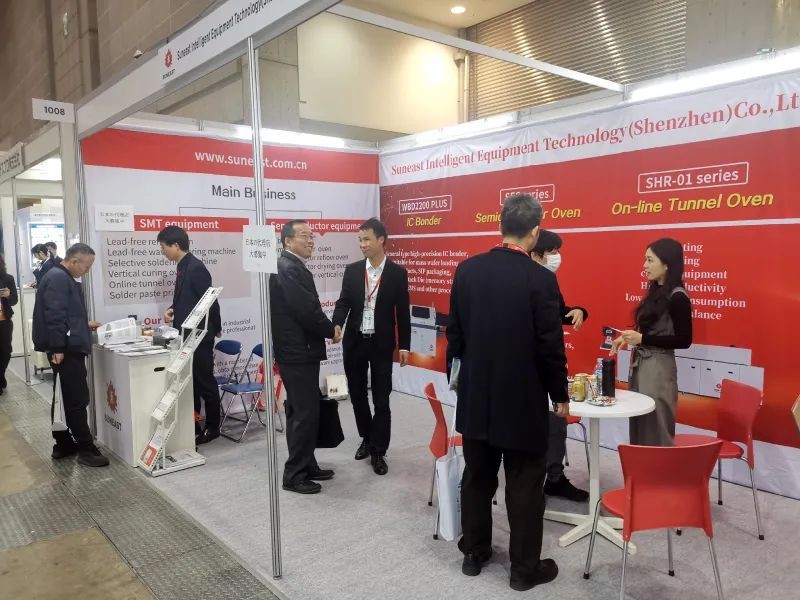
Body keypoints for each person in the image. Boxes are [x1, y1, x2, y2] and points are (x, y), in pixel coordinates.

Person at [447, 193, 569, 591]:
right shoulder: (541, 280)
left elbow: (455, 335)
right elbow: (550, 347)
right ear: (534, 232)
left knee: (477, 478)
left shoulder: (467, 270)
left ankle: (473, 552)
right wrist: (560, 394)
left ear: (501, 226)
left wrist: (462, 379)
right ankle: (523, 570)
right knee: (525, 486)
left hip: (476, 397)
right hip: (522, 401)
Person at [333, 218, 411, 476]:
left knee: (381, 399)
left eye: (366, 239)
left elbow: (403, 313)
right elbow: (343, 302)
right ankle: (367, 439)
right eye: (360, 240)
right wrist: (336, 324)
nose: (362, 244)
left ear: (381, 240)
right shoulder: (352, 270)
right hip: (354, 342)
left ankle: (379, 450)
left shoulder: (398, 274)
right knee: (357, 397)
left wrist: (405, 346)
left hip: (381, 344)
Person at [270, 220, 339, 494]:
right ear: (288, 241)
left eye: (312, 236)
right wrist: (330, 329)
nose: (311, 240)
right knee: (303, 412)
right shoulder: (287, 267)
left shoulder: (292, 265)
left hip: (300, 350)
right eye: (304, 236)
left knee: (305, 410)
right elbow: (306, 310)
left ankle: (307, 463)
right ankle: (294, 475)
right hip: (297, 352)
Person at [32, 243, 109, 467]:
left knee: (63, 396)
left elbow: (65, 314)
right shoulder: (58, 278)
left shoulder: (58, 276)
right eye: (86, 266)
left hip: (65, 346)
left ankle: (63, 443)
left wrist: (83, 324)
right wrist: (57, 347)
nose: (87, 271)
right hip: (66, 349)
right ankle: (86, 448)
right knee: (76, 398)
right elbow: (55, 315)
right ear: (74, 261)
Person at [611, 238, 692, 446]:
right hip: (642, 366)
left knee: (657, 424)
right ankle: (640, 465)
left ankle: (658, 466)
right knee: (640, 422)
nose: (644, 265)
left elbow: (684, 340)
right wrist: (627, 337)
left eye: (650, 260)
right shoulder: (656, 291)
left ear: (667, 264)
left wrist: (642, 339)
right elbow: (648, 329)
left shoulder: (678, 297)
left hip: (659, 370)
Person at [530, 230, 589, 502]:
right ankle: (531, 481)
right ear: (536, 254)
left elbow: (556, 313)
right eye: (552, 252)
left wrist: (578, 311)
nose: (557, 257)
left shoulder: (549, 280)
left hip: (547, 371)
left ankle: (554, 477)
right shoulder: (521, 281)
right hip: (528, 368)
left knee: (557, 423)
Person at [157, 226, 222, 445]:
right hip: (186, 334)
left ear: (176, 245)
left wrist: (217, 326)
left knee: (205, 381)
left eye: (163, 247)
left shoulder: (196, 268)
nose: (162, 251)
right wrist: (172, 308)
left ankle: (213, 426)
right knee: (190, 381)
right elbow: (188, 299)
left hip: (200, 335)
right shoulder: (182, 266)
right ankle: (193, 423)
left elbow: (210, 300)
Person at [0, 256, 18, 395]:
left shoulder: (8, 278)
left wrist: (8, 295)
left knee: (5, 351)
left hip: (4, 321)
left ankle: (1, 374)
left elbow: (14, 300)